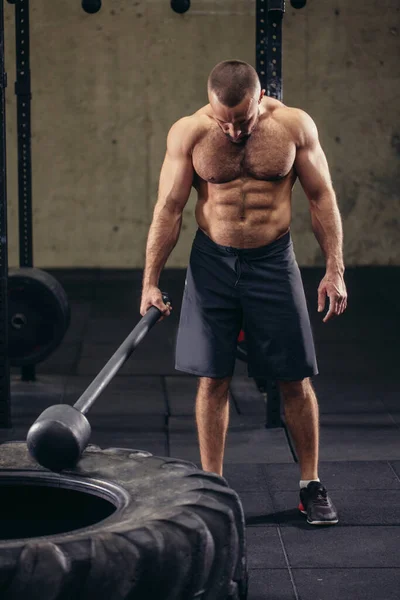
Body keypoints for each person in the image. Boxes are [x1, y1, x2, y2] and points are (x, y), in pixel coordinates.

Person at [140, 59, 347, 526]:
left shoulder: (293, 126)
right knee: (213, 378)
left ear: (260, 97)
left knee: (294, 377)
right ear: (211, 106)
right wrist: (150, 281)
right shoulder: (189, 133)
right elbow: (169, 210)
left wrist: (335, 267)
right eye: (224, 121)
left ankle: (310, 485)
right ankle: (212, 485)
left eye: (244, 120)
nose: (233, 131)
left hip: (273, 262)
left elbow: (322, 197)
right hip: (213, 262)